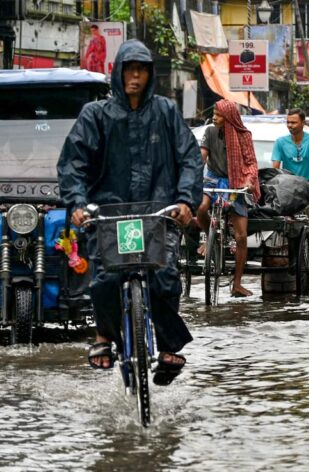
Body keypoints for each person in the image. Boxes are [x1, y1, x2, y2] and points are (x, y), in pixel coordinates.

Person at [58, 40, 202, 385]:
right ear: (118, 72)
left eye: (142, 69)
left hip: (157, 214)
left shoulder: (166, 112)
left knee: (165, 277)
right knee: (105, 280)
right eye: (129, 69)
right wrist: (78, 204)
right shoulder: (96, 115)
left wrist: (185, 201)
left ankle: (168, 347)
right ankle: (104, 337)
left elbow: (189, 159)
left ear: (150, 74)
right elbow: (73, 164)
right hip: (108, 214)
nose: (135, 75)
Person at [197, 99, 260, 298]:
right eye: (214, 114)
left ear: (229, 117)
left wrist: (249, 181)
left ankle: (238, 283)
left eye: (218, 114)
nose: (214, 117)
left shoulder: (244, 136)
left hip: (236, 181)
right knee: (200, 208)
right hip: (213, 178)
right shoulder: (209, 132)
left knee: (241, 236)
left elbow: (250, 163)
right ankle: (210, 237)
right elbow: (202, 156)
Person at [271, 108, 309, 245]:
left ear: (303, 123)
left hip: (308, 183)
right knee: (277, 209)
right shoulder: (280, 142)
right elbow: (275, 168)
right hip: (288, 184)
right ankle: (280, 243)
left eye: (293, 122)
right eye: (288, 122)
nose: (290, 125)